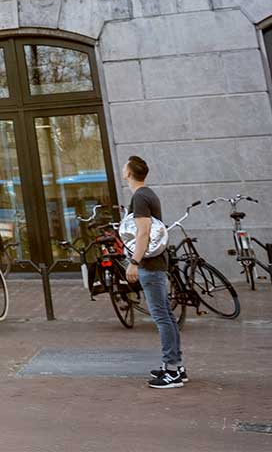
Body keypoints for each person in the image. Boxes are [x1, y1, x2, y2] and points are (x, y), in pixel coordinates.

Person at [123, 156, 185, 389]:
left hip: (150, 265)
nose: (122, 169)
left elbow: (143, 232)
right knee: (167, 316)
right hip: (156, 264)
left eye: (124, 166)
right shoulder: (147, 193)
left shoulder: (140, 197)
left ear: (129, 172)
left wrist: (134, 262)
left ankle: (172, 372)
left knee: (161, 317)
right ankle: (176, 366)